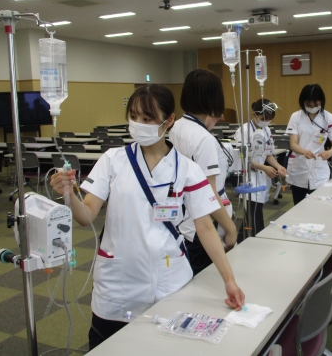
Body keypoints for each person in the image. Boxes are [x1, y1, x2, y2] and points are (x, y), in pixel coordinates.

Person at [50, 84, 244, 350]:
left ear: (169, 120)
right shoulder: (113, 160)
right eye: (133, 117)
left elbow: (206, 228)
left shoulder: (187, 169)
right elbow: (87, 215)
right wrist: (69, 194)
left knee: (166, 348)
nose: (138, 124)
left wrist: (229, 281)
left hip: (170, 281)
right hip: (118, 284)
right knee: (109, 348)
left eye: (147, 118)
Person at [169, 69, 237, 275]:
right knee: (205, 279)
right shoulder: (204, 139)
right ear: (214, 99)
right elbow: (210, 194)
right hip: (202, 224)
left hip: (181, 221)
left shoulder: (175, 128)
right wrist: (231, 229)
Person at [233, 98, 287, 235]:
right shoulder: (244, 131)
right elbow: (243, 159)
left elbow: (268, 154)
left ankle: (242, 241)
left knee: (253, 217)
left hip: (261, 178)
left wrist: (278, 166)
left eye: (269, 119)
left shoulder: (267, 130)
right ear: (254, 114)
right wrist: (264, 168)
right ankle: (249, 241)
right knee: (253, 218)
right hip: (248, 178)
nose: (266, 121)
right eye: (264, 118)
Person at [285, 84, 332, 205]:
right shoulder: (296, 117)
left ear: (321, 101)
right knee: (299, 206)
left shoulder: (328, 117)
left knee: (319, 206)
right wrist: (304, 152)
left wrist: (329, 152)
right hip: (299, 167)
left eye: (315, 104)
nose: (312, 107)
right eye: (308, 105)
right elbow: (293, 144)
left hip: (319, 169)